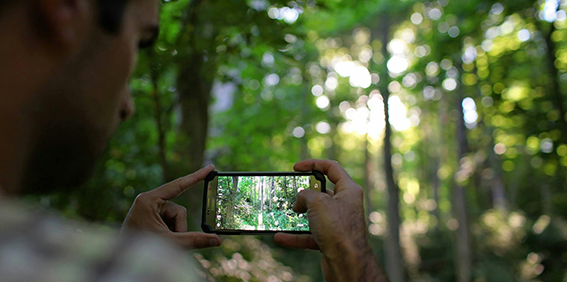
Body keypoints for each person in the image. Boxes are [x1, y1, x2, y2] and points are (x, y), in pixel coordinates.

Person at [0, 0, 389, 281]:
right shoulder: (146, 273)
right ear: (66, 7)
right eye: (140, 41)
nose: (128, 104)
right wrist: (349, 252)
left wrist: (124, 251)